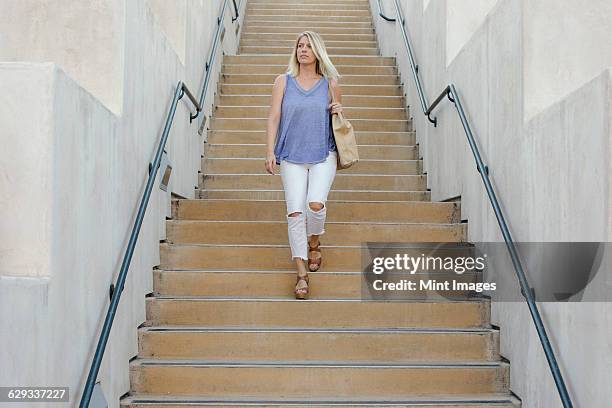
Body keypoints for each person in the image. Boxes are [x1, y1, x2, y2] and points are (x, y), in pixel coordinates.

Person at [265, 31, 344, 299]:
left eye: (309, 46)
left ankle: (314, 241)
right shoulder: (282, 82)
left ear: (318, 52)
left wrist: (338, 110)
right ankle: (301, 275)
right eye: (300, 45)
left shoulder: (330, 83)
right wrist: (269, 151)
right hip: (290, 156)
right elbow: (274, 117)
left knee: (316, 204)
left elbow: (339, 120)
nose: (303, 50)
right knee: (295, 214)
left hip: (324, 154)